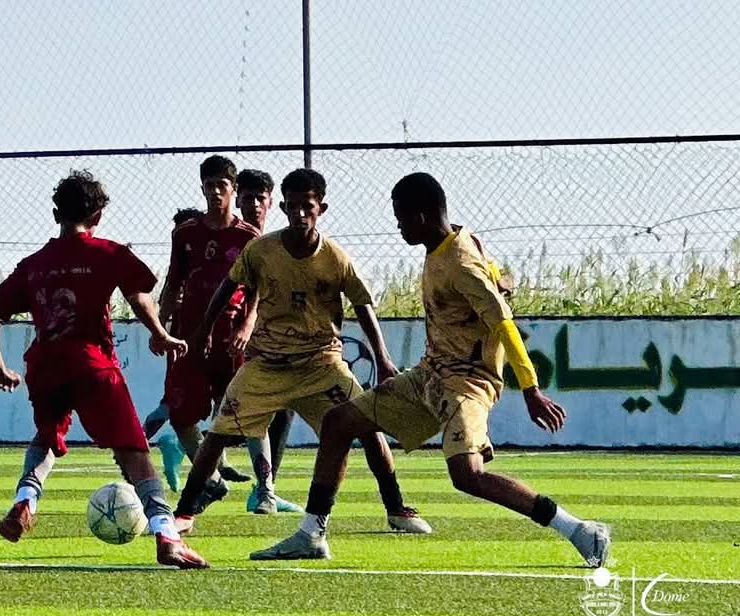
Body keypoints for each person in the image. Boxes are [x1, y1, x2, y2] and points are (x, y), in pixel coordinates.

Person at [250, 172, 611, 564]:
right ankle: (311, 533)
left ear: (420, 217)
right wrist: (499, 277)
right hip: (430, 376)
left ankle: (579, 530)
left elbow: (504, 323)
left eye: (400, 219)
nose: (398, 227)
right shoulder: (453, 241)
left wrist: (531, 389)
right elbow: (491, 273)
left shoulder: (459, 264)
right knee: (339, 423)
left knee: (467, 475)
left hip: (466, 383)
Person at [173, 168, 430, 533]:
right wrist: (201, 332)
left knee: (367, 426)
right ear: (283, 207)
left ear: (321, 208)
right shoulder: (261, 250)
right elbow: (228, 286)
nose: (299, 213)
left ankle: (396, 507)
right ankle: (184, 512)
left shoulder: (335, 258)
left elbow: (362, 304)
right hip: (267, 365)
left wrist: (383, 357)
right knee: (217, 434)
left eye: (307, 206)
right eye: (292, 206)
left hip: (321, 364)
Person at [0, 170, 208, 569]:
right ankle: (167, 534)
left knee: (47, 437)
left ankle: (25, 499)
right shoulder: (107, 253)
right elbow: (139, 296)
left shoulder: (34, 265)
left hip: (45, 367)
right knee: (134, 452)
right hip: (92, 366)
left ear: (56, 214)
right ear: (98, 215)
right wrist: (160, 334)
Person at [156, 156, 259, 496]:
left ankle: (262, 485)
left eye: (222, 185)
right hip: (189, 336)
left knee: (234, 413)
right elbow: (173, 282)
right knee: (181, 414)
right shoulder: (186, 233)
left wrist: (247, 325)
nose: (215, 192)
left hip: (230, 336)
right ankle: (212, 480)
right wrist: (160, 327)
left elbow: (257, 290)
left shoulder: (249, 237)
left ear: (233, 189)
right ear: (202, 188)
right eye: (209, 185)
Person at [145, 207, 251, 490]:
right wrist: (161, 327)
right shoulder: (185, 256)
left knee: (223, 402)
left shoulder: (238, 243)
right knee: (178, 404)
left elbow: (251, 289)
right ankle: (155, 441)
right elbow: (170, 289)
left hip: (221, 337)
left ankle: (215, 464)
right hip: (186, 339)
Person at [231, 168, 301, 513]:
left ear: (272, 202)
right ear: (237, 200)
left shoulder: (280, 243)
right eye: (248, 198)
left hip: (272, 337)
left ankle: (266, 487)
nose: (255, 204)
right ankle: (186, 446)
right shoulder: (234, 238)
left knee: (283, 408)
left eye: (261, 198)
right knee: (240, 408)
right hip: (234, 336)